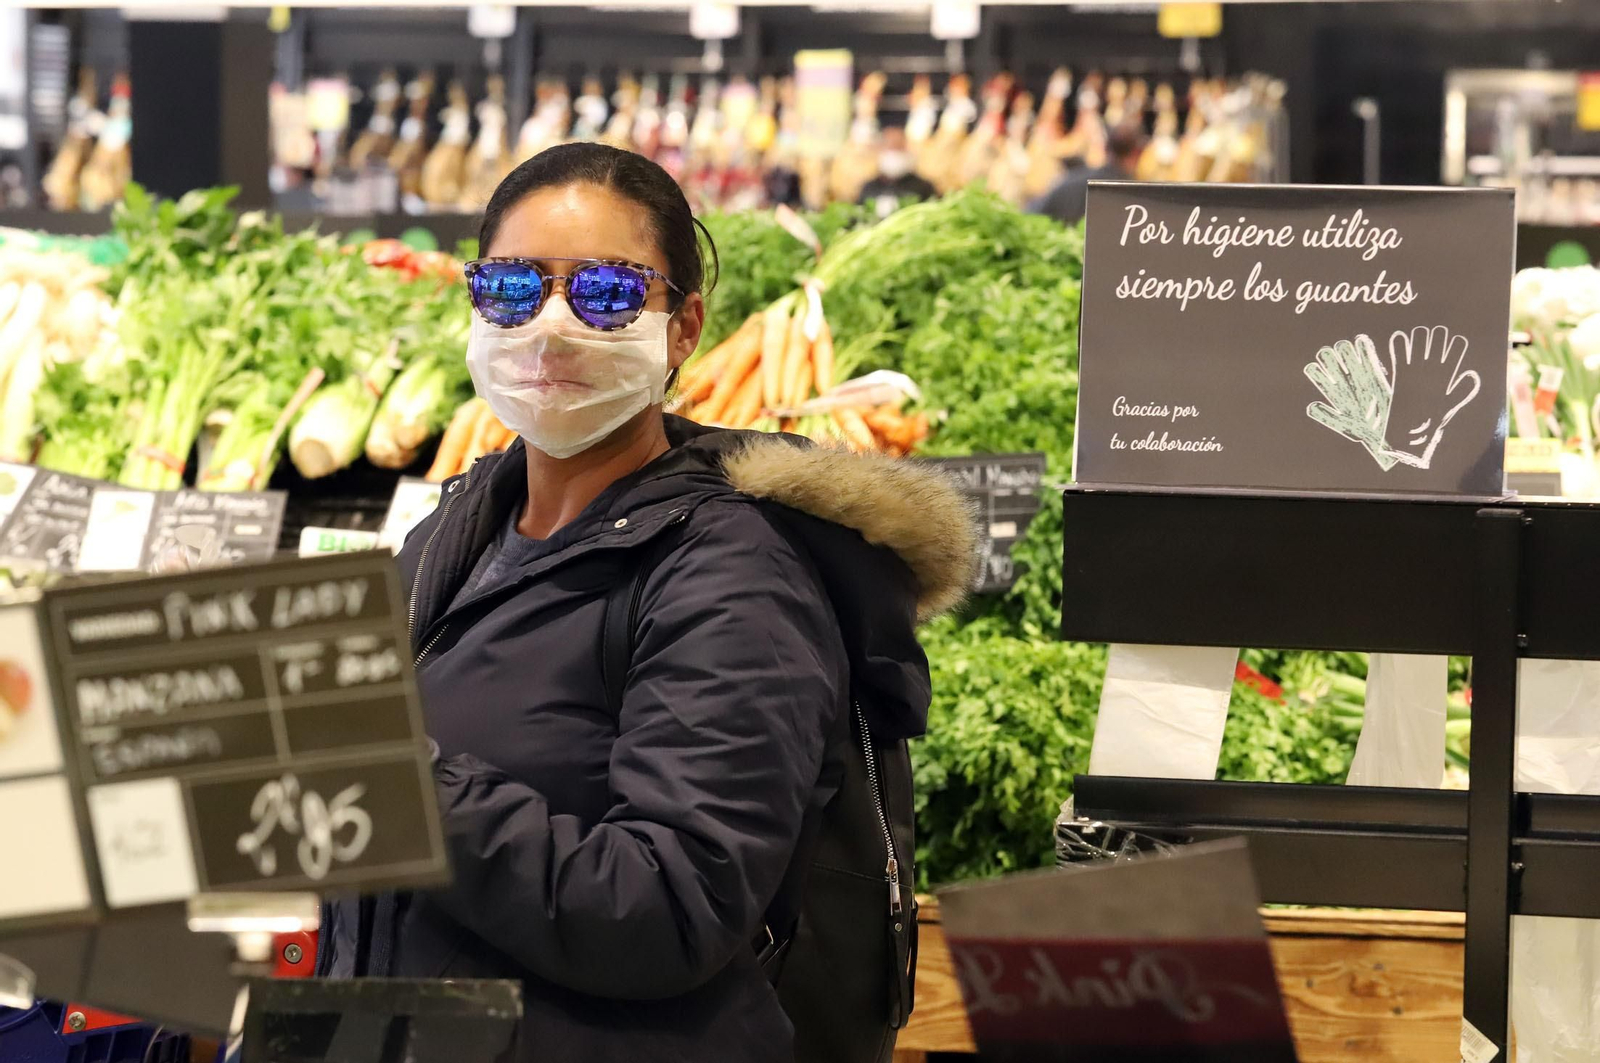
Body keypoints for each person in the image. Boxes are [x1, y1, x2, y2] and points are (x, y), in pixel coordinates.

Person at [316, 142, 975, 1063]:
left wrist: (399, 783)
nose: (551, 325)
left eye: (607, 292)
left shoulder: (736, 575)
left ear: (681, 326)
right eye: (512, 288)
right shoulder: (458, 532)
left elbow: (672, 906)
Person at [1028, 122, 1147, 225]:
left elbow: (1031, 214)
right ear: (1138, 153)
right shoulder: (1141, 199)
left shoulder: (1070, 182)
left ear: (1105, 148)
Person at [858, 127, 938, 217]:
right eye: (890, 147)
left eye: (898, 147)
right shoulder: (869, 188)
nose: (894, 152)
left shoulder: (924, 187)